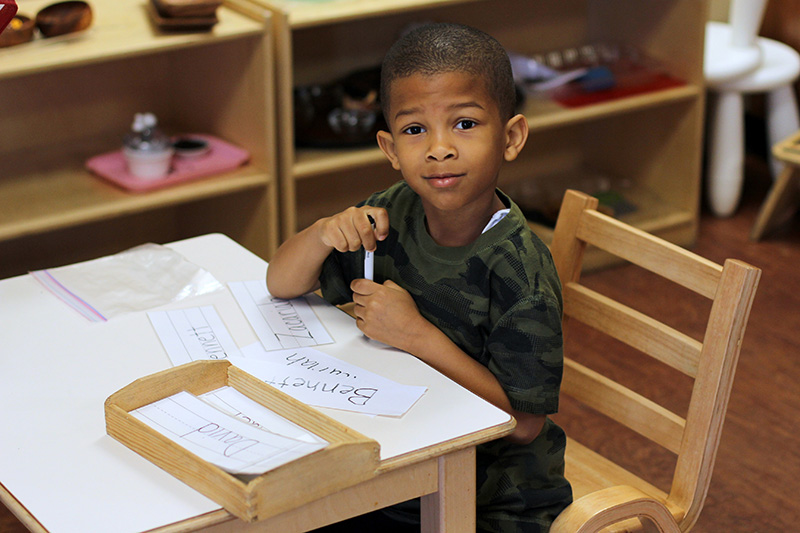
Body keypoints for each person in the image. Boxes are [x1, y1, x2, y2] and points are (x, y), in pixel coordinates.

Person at [266, 22, 572, 533]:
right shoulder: (394, 210)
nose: (439, 149)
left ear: (511, 137)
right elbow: (282, 283)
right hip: (399, 465)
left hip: (492, 499)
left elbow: (523, 424)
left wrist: (416, 336)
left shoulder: (521, 271)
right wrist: (323, 232)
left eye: (465, 124)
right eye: (414, 130)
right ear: (389, 149)